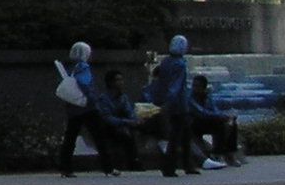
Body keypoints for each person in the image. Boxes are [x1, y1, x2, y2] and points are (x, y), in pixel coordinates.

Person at [56, 41, 122, 177]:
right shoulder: (84, 67)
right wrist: (92, 98)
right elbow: (85, 84)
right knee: (99, 137)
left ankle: (65, 167)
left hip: (74, 108)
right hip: (88, 108)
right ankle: (108, 167)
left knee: (70, 137)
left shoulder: (71, 68)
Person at [146, 34, 196, 177]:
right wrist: (169, 101)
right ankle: (171, 166)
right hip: (179, 104)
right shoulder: (180, 63)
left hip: (171, 102)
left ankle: (187, 165)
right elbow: (176, 85)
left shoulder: (166, 62)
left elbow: (161, 82)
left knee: (184, 135)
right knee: (178, 136)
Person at [187, 74, 241, 169]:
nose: (194, 88)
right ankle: (217, 153)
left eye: (197, 86)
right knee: (218, 124)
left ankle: (230, 153)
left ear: (203, 88)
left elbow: (214, 109)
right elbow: (200, 112)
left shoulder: (207, 96)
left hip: (207, 121)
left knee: (231, 124)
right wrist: (219, 116)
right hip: (195, 123)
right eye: (194, 86)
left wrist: (225, 117)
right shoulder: (189, 97)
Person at [93, 70, 141, 171]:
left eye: (121, 80)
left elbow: (129, 112)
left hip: (124, 125)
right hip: (110, 126)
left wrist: (134, 120)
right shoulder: (104, 99)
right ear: (110, 83)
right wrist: (125, 122)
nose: (121, 82)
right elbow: (107, 117)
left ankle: (134, 161)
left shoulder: (123, 97)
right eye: (117, 80)